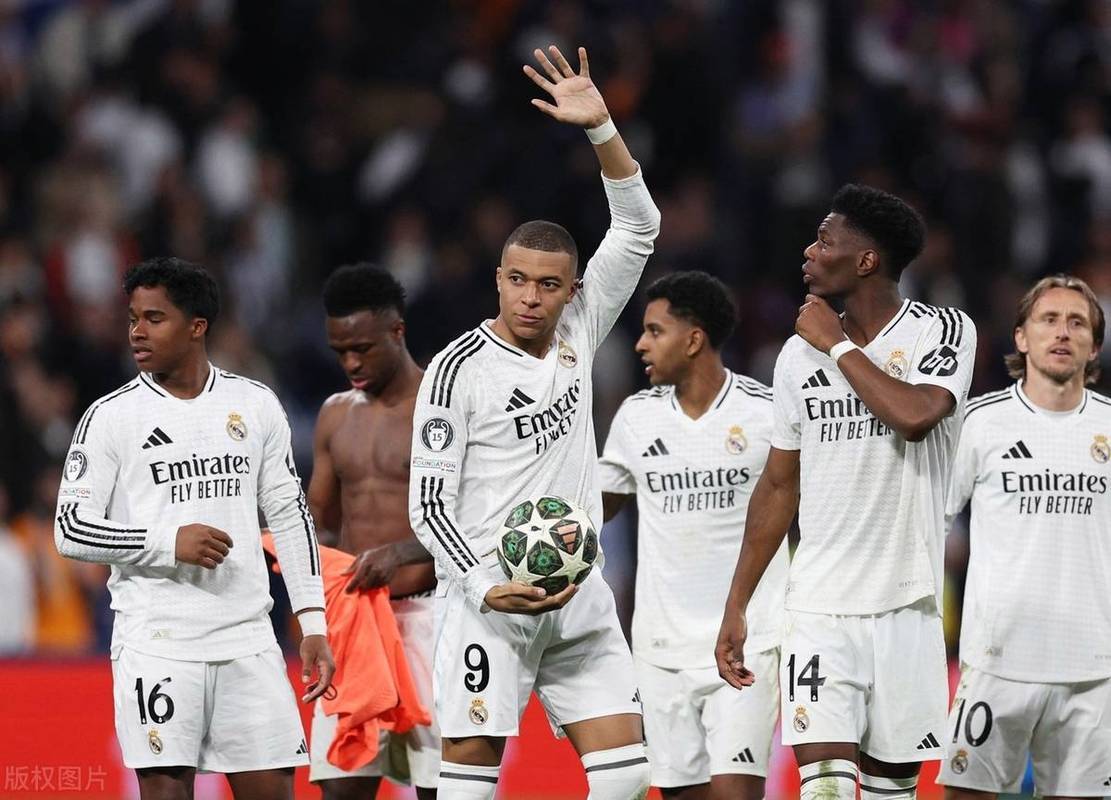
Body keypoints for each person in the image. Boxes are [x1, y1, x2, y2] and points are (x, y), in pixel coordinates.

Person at [407, 45, 660, 800]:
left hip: (578, 594)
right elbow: (428, 505)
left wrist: (601, 128)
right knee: (466, 789)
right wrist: (485, 587)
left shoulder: (582, 328)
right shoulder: (457, 370)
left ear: (572, 290)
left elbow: (638, 226)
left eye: (548, 285)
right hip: (490, 603)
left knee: (626, 778)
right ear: (498, 279)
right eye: (516, 279)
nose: (529, 297)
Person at [715, 184, 977, 800]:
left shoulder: (941, 331)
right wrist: (738, 604)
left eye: (824, 241)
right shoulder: (794, 358)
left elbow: (915, 414)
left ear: (866, 261)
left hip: (908, 604)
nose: (809, 252)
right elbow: (778, 485)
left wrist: (835, 346)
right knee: (826, 789)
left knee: (891, 792)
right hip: (819, 610)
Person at [54, 257, 334, 800]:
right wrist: (165, 543)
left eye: (154, 318)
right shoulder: (111, 417)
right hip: (158, 643)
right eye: (133, 318)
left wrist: (313, 620)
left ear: (196, 326)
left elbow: (290, 515)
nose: (137, 331)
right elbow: (69, 528)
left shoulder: (254, 404)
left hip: (248, 640)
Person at [599, 271, 787, 800]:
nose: (640, 344)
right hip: (660, 648)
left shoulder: (766, 414)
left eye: (655, 331)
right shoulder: (636, 418)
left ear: (694, 339)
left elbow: (800, 503)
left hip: (748, 640)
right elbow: (600, 504)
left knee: (734, 792)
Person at [937, 275, 1111, 800]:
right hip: (998, 661)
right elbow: (931, 524)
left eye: (1077, 323)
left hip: (1093, 668)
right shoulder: (981, 422)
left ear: (1094, 346)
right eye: (1049, 319)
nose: (1062, 332)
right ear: (1021, 336)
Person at [308, 262, 439, 799]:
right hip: (355, 623)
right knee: (341, 788)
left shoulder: (442, 407)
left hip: (430, 616)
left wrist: (401, 553)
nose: (351, 363)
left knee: (441, 788)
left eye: (362, 348)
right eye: (340, 351)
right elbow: (319, 523)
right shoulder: (335, 414)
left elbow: (477, 521)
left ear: (397, 330)